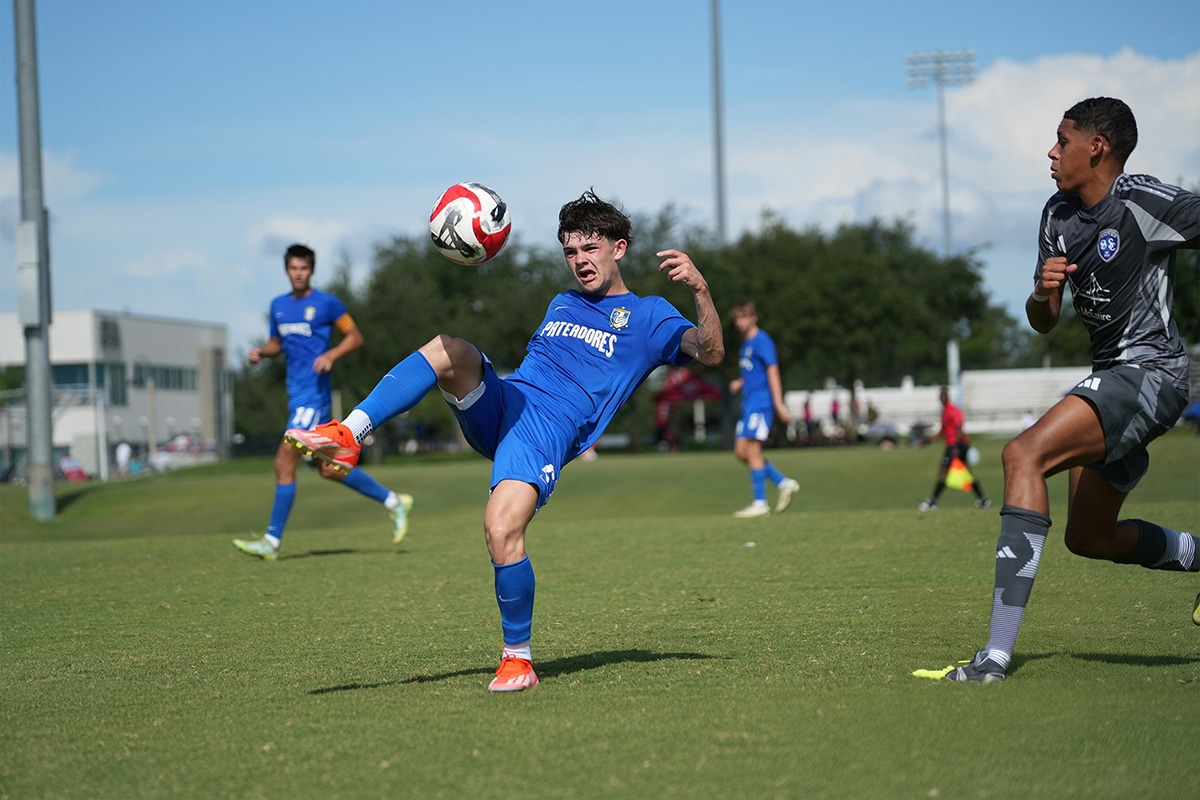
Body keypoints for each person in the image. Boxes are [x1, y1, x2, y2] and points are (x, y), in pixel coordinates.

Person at [285, 191, 724, 691]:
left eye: (590, 249)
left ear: (618, 248)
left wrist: (701, 292)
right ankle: (348, 433)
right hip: (507, 403)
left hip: (544, 433)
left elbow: (710, 352)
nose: (579, 261)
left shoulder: (648, 317)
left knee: (499, 530)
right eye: (570, 252)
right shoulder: (562, 301)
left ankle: (518, 660)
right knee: (450, 348)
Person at [917, 97, 1200, 683]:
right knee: (1088, 537)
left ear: (1096, 147)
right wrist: (1044, 293)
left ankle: (994, 657)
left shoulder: (1146, 202)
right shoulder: (1057, 214)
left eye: (1061, 139)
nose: (1051, 152)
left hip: (1151, 375)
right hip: (1110, 376)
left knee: (1022, 454)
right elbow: (1041, 321)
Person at [232, 244, 413, 562]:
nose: (298, 273)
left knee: (283, 462)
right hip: (296, 395)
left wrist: (331, 354)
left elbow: (355, 337)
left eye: (303, 268)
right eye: (293, 268)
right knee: (329, 470)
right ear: (286, 270)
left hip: (314, 397)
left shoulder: (327, 304)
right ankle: (394, 502)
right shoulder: (277, 307)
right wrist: (262, 352)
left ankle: (271, 542)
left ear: (311, 270)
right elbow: (277, 342)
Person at [728, 301, 800, 518]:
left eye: (744, 317)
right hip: (748, 403)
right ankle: (783, 482)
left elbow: (772, 370)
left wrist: (778, 402)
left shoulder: (762, 340)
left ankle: (760, 503)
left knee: (753, 449)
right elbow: (755, 372)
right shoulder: (746, 344)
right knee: (741, 452)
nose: (740, 323)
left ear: (753, 318)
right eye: (737, 319)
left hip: (761, 403)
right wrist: (741, 382)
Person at [916, 387, 990, 511]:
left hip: (956, 445)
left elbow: (959, 426)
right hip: (955, 444)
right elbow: (941, 433)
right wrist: (926, 441)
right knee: (967, 472)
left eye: (944, 396)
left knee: (943, 473)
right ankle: (983, 500)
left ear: (947, 397)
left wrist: (956, 446)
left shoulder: (953, 410)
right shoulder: (945, 412)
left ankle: (932, 502)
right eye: (941, 396)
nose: (942, 398)